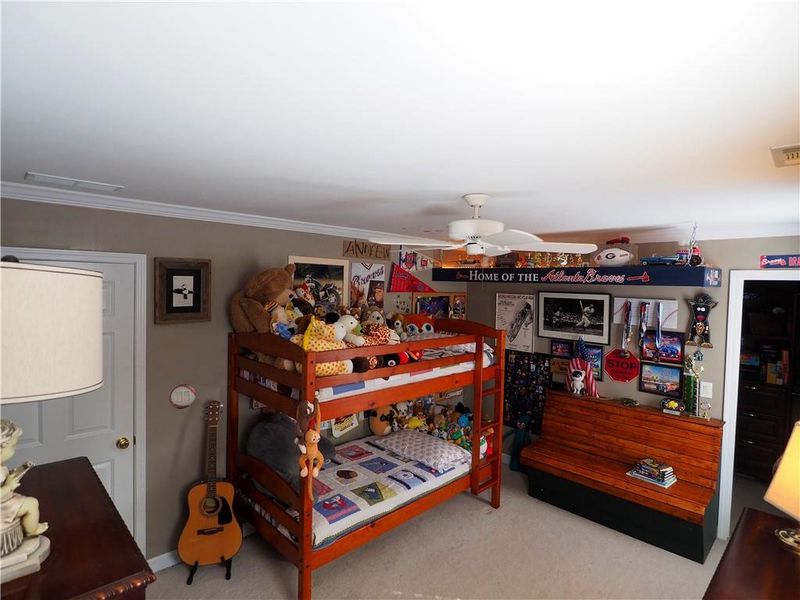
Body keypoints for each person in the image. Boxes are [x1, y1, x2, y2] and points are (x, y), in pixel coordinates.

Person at [1, 419, 48, 547]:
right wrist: (8, 486)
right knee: (32, 503)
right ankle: (32, 530)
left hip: (6, 500)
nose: (15, 449)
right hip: (3, 508)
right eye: (13, 446)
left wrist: (15, 472)